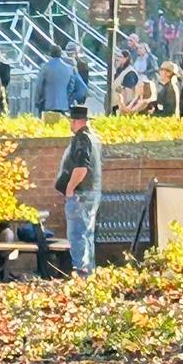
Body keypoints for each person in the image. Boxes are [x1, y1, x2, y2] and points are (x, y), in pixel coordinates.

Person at [57, 103, 102, 275]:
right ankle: (88, 272)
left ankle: (82, 272)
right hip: (91, 191)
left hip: (80, 193)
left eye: (71, 120)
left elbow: (82, 167)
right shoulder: (93, 138)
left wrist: (70, 188)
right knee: (87, 233)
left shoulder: (82, 139)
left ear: (76, 121)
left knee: (77, 234)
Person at [34, 44, 86, 122]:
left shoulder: (45, 67)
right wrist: (68, 97)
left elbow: (39, 86)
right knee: (61, 125)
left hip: (48, 104)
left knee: (48, 126)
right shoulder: (69, 68)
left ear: (50, 54)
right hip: (63, 104)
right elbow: (71, 86)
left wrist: (37, 100)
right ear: (61, 54)